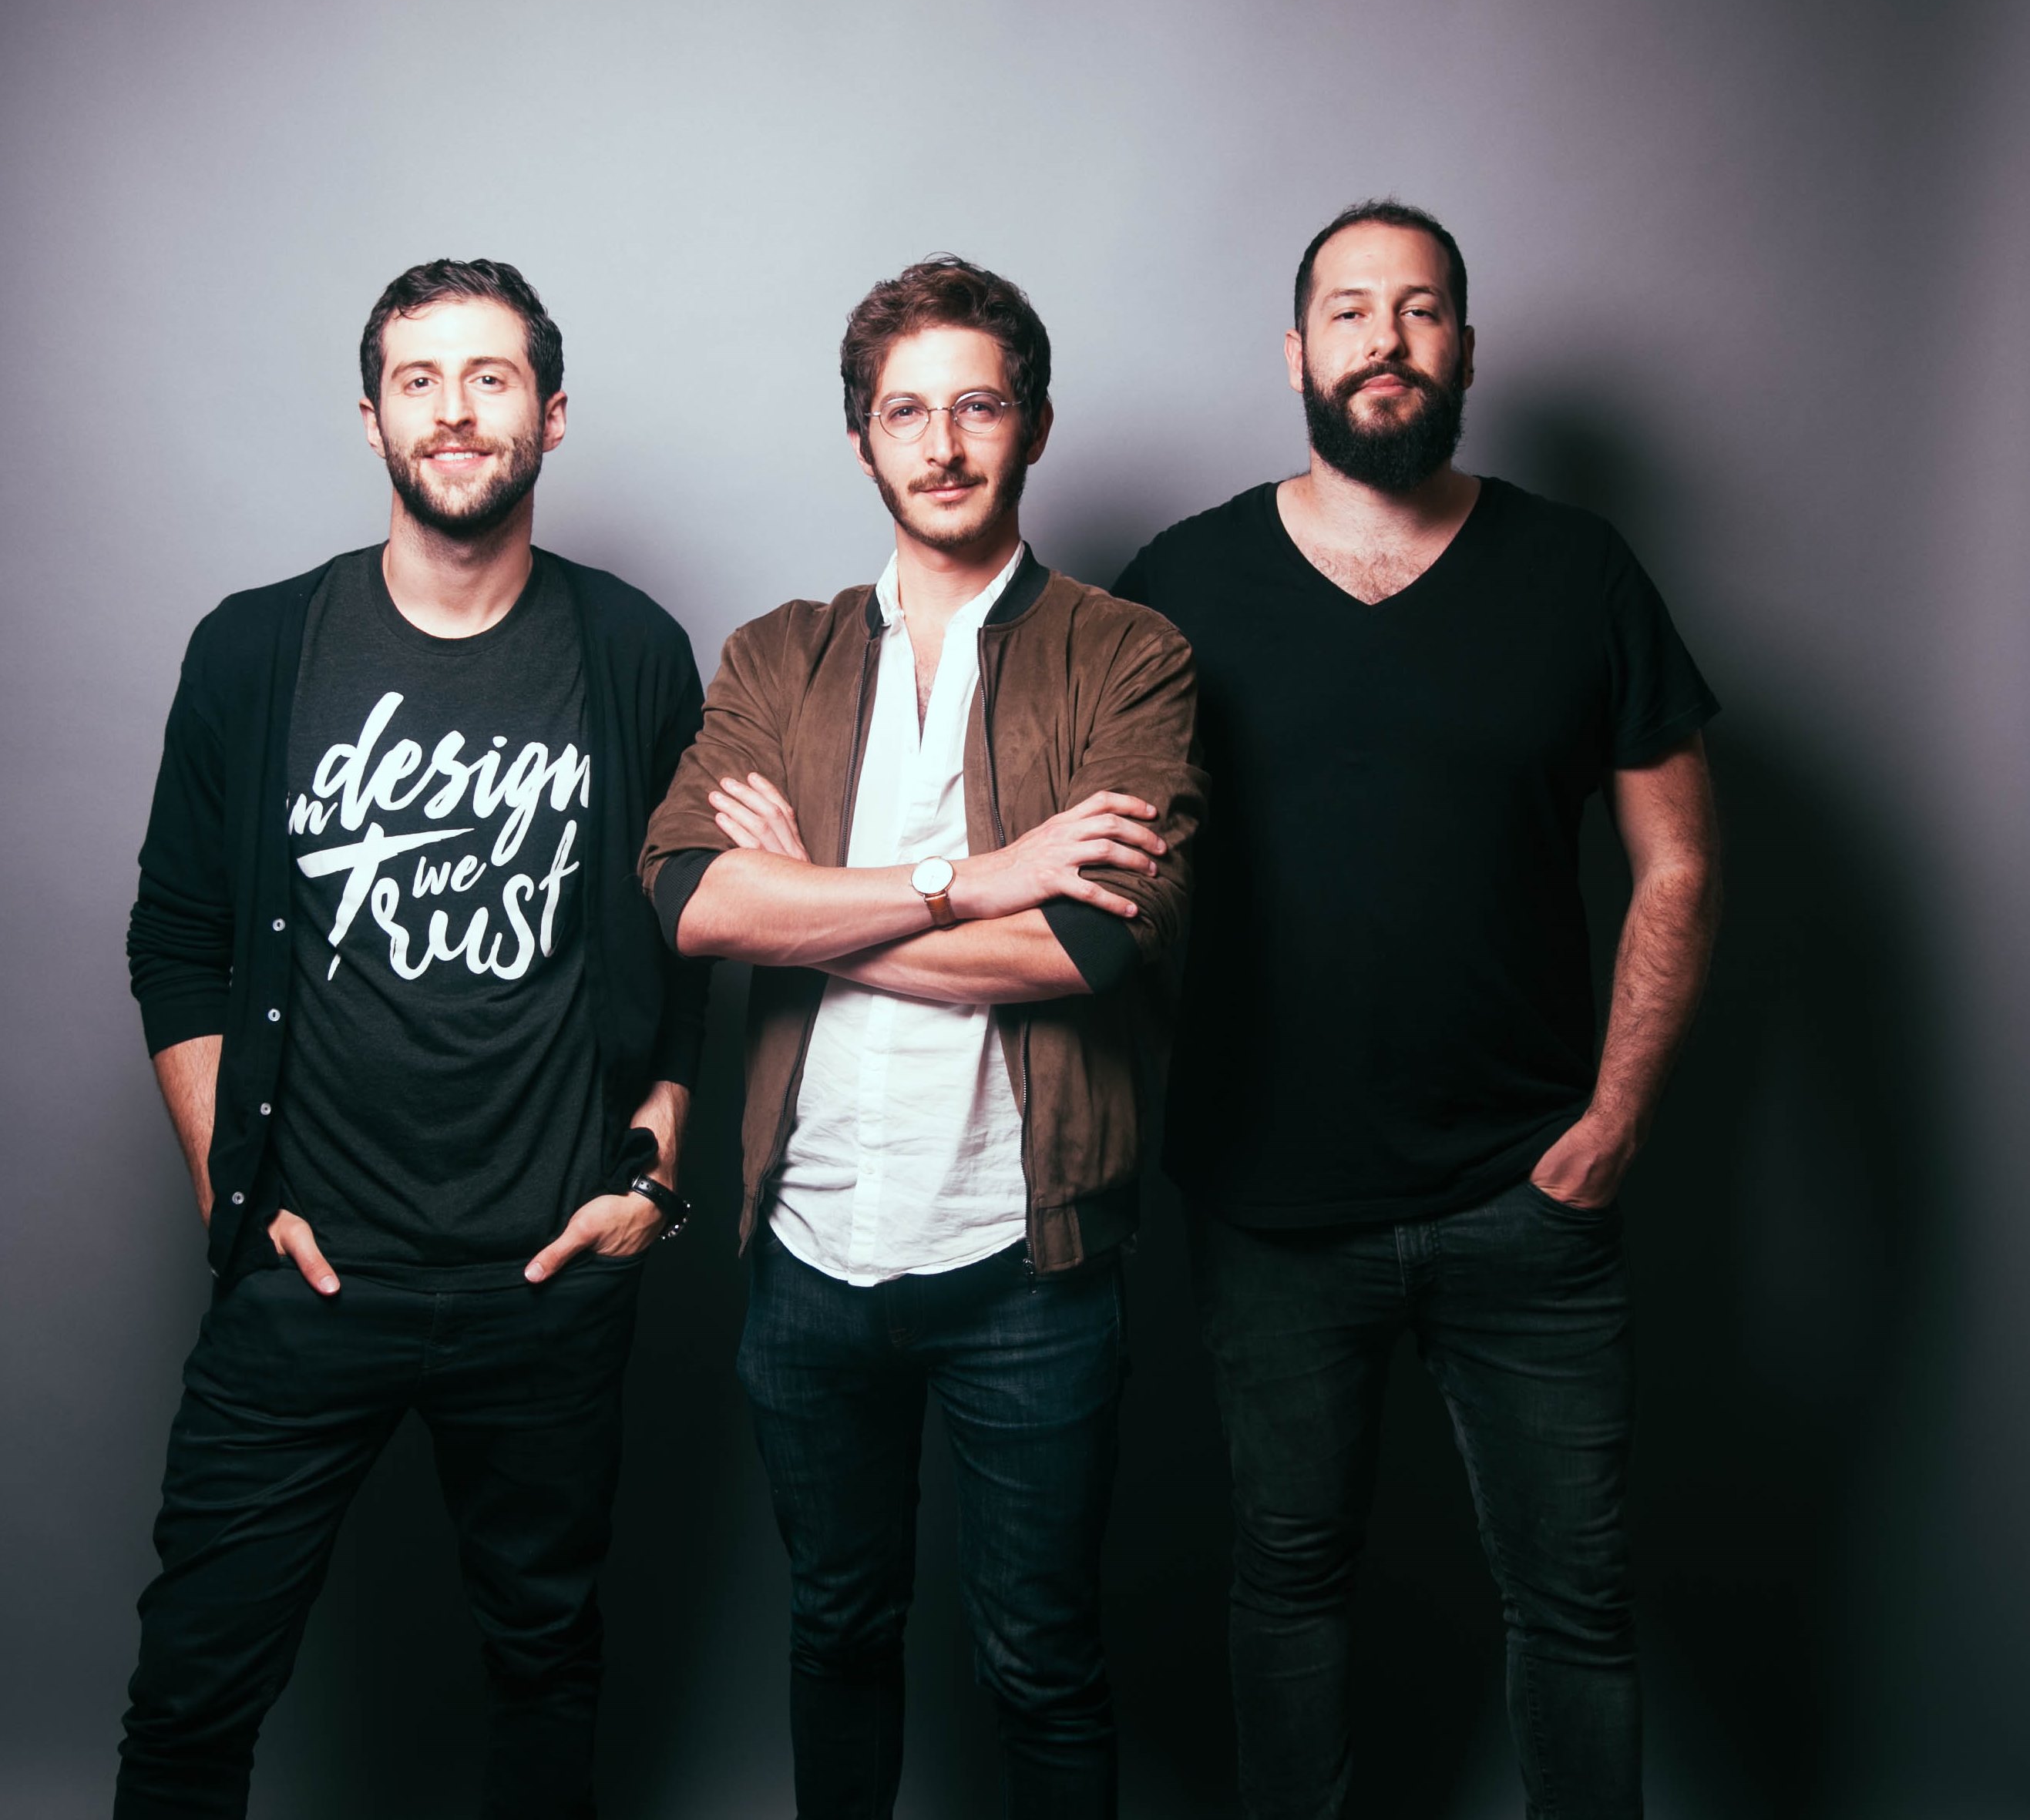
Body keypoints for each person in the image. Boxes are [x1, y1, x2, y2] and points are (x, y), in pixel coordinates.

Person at [1116, 201, 1722, 1818]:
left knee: (1575, 1604)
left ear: (1463, 346)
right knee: (1285, 1585)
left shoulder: (1579, 572)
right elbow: (1095, 855)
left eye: (1419, 309)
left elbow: (1676, 861)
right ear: (1294, 351)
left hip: (1526, 1195)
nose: (1382, 340)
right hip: (1269, 1205)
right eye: (1347, 310)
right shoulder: (1180, 579)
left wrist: (1613, 1123)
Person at [116, 258, 706, 1818]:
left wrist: (651, 1179)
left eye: (491, 377)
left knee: (546, 1667)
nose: (454, 411)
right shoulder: (256, 650)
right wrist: (231, 1185)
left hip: (546, 1277)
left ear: (551, 416)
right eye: (420, 379)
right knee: (193, 1687)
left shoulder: (634, 650)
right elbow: (175, 938)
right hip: (308, 1275)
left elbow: (685, 943)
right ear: (370, 415)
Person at [640, 255, 1205, 1818]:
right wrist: (971, 879)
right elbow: (690, 899)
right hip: (806, 1251)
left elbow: (1092, 942)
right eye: (905, 413)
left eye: (976, 407)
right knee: (834, 1632)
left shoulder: (1126, 653)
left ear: (1031, 427)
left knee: (1041, 1662)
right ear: (860, 440)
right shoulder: (777, 654)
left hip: (1028, 1259)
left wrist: (810, 909)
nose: (942, 444)